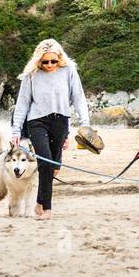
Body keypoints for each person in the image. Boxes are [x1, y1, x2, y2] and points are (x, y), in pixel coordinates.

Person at [10, 39, 90, 220]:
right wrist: (16, 131)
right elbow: (22, 103)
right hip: (37, 121)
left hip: (60, 122)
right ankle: (47, 209)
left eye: (53, 61)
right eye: (45, 61)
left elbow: (78, 98)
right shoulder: (31, 74)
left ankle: (39, 202)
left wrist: (85, 123)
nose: (49, 65)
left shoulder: (69, 71)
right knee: (45, 162)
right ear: (39, 60)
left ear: (60, 58)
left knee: (54, 167)